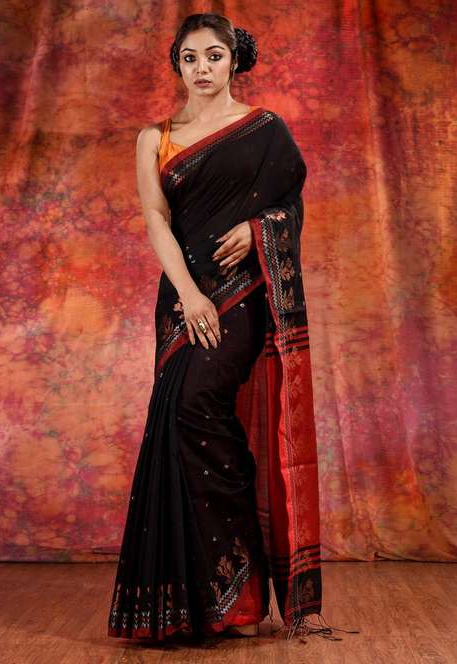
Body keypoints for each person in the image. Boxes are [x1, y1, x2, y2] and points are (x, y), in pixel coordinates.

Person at [108, 12, 359, 646]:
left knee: (201, 410)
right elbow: (156, 220)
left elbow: (289, 205)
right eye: (190, 57)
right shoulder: (155, 138)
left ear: (234, 60)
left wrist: (258, 228)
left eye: (214, 56)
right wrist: (190, 295)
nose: (202, 68)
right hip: (183, 299)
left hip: (244, 297)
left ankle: (238, 592)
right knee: (178, 420)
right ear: (177, 64)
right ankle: (204, 603)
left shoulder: (265, 129)